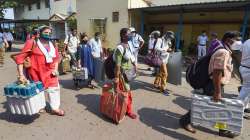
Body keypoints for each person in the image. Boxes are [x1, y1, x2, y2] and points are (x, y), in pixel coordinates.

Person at [180, 31, 240, 138]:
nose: (239, 42)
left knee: (203, 105)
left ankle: (185, 120)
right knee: (220, 109)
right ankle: (223, 130)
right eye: (237, 40)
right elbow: (217, 72)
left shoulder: (223, 49)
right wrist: (217, 91)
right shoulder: (223, 52)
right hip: (214, 85)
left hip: (214, 84)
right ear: (228, 40)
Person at [15, 25, 65, 116]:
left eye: (49, 33)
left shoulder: (53, 43)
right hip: (36, 72)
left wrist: (56, 69)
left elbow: (56, 58)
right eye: (45, 32)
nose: (48, 34)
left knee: (54, 89)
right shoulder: (32, 42)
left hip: (50, 72)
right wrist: (21, 75)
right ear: (39, 33)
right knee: (38, 90)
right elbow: (20, 58)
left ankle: (55, 108)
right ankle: (40, 105)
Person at [113, 28, 137, 119]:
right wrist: (116, 78)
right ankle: (128, 111)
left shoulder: (128, 44)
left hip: (128, 74)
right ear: (123, 36)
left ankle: (123, 108)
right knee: (127, 93)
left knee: (124, 93)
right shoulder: (120, 48)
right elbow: (118, 65)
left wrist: (135, 65)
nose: (131, 35)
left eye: (131, 33)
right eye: (129, 34)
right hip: (122, 75)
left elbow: (131, 56)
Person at [153, 31, 174, 95]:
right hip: (160, 59)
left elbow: (168, 48)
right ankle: (163, 88)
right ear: (166, 36)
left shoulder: (168, 42)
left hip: (165, 59)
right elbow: (156, 48)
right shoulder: (160, 40)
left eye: (171, 38)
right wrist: (165, 50)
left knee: (160, 72)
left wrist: (170, 48)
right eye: (169, 37)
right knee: (165, 74)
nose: (170, 39)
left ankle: (156, 84)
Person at [238, 39, 250, 117]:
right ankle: (238, 109)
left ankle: (244, 106)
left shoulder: (247, 41)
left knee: (247, 90)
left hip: (244, 67)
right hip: (248, 69)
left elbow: (240, 53)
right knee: (245, 90)